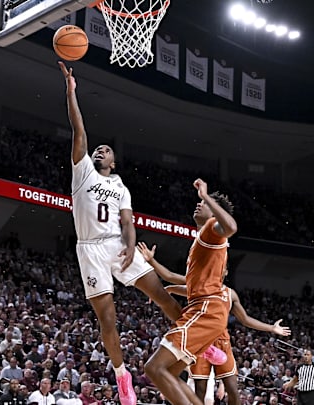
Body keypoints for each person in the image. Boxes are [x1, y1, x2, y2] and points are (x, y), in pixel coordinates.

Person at [58, 61, 184, 405]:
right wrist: (71, 93)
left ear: (113, 161)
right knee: (108, 318)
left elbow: (128, 222)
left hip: (117, 244)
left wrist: (130, 247)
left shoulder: (120, 185)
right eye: (98, 149)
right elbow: (79, 131)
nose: (100, 150)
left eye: (107, 150)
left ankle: (199, 342)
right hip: (90, 250)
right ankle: (122, 375)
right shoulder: (83, 172)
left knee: (162, 296)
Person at [137, 242, 292, 405]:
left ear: (224, 271)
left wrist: (271, 328)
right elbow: (171, 277)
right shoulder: (202, 282)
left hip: (221, 340)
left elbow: (245, 319)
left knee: (232, 389)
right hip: (201, 336)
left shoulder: (230, 294)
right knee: (200, 388)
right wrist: (165, 283)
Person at [144, 178, 238, 405]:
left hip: (205, 311)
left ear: (216, 213)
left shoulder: (211, 230)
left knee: (154, 367)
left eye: (205, 204)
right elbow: (181, 280)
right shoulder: (202, 241)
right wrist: (155, 268)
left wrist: (206, 196)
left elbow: (232, 227)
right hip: (205, 310)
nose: (198, 204)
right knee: (169, 374)